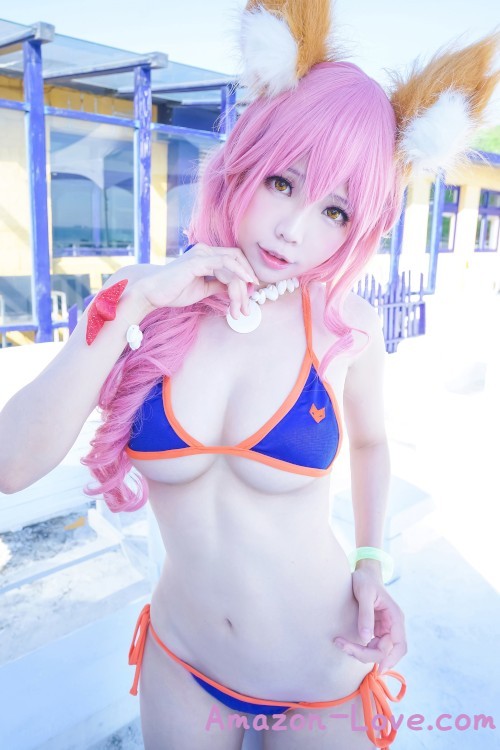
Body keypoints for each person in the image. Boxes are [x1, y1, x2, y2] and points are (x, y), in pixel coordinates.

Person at [0, 1, 497, 748]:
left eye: (335, 211)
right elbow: (11, 466)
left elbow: (371, 443)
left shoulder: (345, 326)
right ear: (247, 161)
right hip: (181, 658)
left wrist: (370, 558)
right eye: (284, 183)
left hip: (318, 673)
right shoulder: (147, 303)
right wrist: (135, 299)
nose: (295, 230)